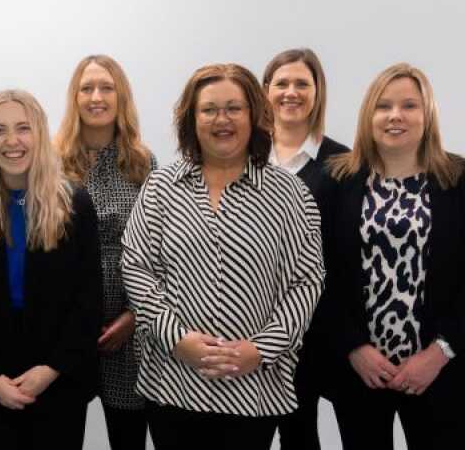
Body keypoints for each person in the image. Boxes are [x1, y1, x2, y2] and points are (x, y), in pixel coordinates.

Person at [121, 63, 325, 449]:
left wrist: (260, 349)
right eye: (209, 109)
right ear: (191, 119)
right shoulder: (163, 186)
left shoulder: (289, 193)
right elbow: (136, 266)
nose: (222, 120)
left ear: (253, 115)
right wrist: (177, 338)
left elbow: (307, 281)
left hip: (253, 384)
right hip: (173, 381)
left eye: (234, 108)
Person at [0, 89, 103, 450]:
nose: (12, 141)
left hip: (56, 376)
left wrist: (50, 371)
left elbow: (88, 301)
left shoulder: (74, 203)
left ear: (40, 135)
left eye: (23, 128)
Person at [325, 63, 465, 450]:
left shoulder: (458, 178)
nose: (395, 116)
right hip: (361, 371)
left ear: (428, 114)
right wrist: (353, 347)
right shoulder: (338, 181)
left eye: (409, 105)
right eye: (383, 106)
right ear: (369, 114)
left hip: (442, 371)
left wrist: (440, 352)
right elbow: (321, 274)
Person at [55, 55, 155, 450]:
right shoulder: (51, 163)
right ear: (74, 97)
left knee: (127, 438)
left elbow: (159, 251)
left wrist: (133, 317)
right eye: (87, 88)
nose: (96, 97)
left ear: (121, 97)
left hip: (129, 330)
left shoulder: (144, 164)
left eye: (106, 88)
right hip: (64, 329)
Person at [261, 48, 348, 449]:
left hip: (317, 330)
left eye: (302, 83)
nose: (291, 92)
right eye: (281, 83)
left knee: (301, 435)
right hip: (250, 327)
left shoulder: (344, 164)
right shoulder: (244, 156)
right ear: (265, 92)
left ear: (318, 92)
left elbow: (349, 255)